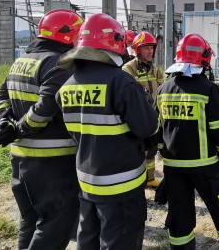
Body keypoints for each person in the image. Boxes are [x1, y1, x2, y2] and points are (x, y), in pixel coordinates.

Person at [55, 13, 159, 249]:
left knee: (88, 239)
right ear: (118, 43)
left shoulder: (66, 86)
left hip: (87, 182)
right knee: (120, 241)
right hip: (122, 185)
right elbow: (149, 126)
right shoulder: (121, 82)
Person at [0, 8, 83, 250]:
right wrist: (17, 128)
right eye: (78, 34)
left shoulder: (21, 61)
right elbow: (46, 106)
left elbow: (1, 97)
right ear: (66, 35)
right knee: (57, 220)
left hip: (21, 159)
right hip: (51, 161)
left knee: (30, 218)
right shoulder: (59, 63)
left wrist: (2, 121)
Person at [156, 33, 219, 250]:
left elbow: (158, 129)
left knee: (179, 211)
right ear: (204, 58)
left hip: (173, 166)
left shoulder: (163, 89)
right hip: (205, 165)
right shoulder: (208, 89)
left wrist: (164, 153)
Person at [123, 31, 164, 188]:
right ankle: (135, 181)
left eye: (152, 48)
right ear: (137, 50)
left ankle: (150, 178)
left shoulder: (154, 69)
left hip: (153, 115)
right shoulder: (128, 69)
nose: (150, 51)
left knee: (152, 148)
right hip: (137, 116)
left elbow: (162, 86)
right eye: (146, 48)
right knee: (137, 150)